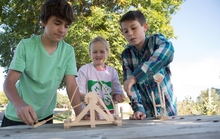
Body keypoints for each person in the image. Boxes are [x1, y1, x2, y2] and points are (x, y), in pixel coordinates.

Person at [1, 0, 83, 127]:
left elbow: (72, 85)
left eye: (66, 26)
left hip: (46, 118)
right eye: (57, 23)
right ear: (43, 22)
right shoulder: (26, 46)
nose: (62, 30)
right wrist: (19, 104)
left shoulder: (68, 51)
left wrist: (81, 115)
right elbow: (9, 82)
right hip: (16, 118)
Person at [119, 10, 177, 120]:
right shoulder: (126, 55)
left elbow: (167, 52)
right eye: (125, 31)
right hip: (146, 115)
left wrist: (136, 76)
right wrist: (138, 108)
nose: (130, 33)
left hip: (168, 111)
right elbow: (131, 87)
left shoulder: (156, 41)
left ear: (144, 27)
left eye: (134, 28)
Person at [76, 36, 126, 119]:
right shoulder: (84, 70)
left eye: (102, 51)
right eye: (95, 52)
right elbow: (79, 94)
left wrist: (119, 97)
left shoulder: (112, 71)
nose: (98, 54)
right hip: (91, 116)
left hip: (110, 117)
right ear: (90, 53)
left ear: (107, 52)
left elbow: (115, 93)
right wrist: (91, 100)